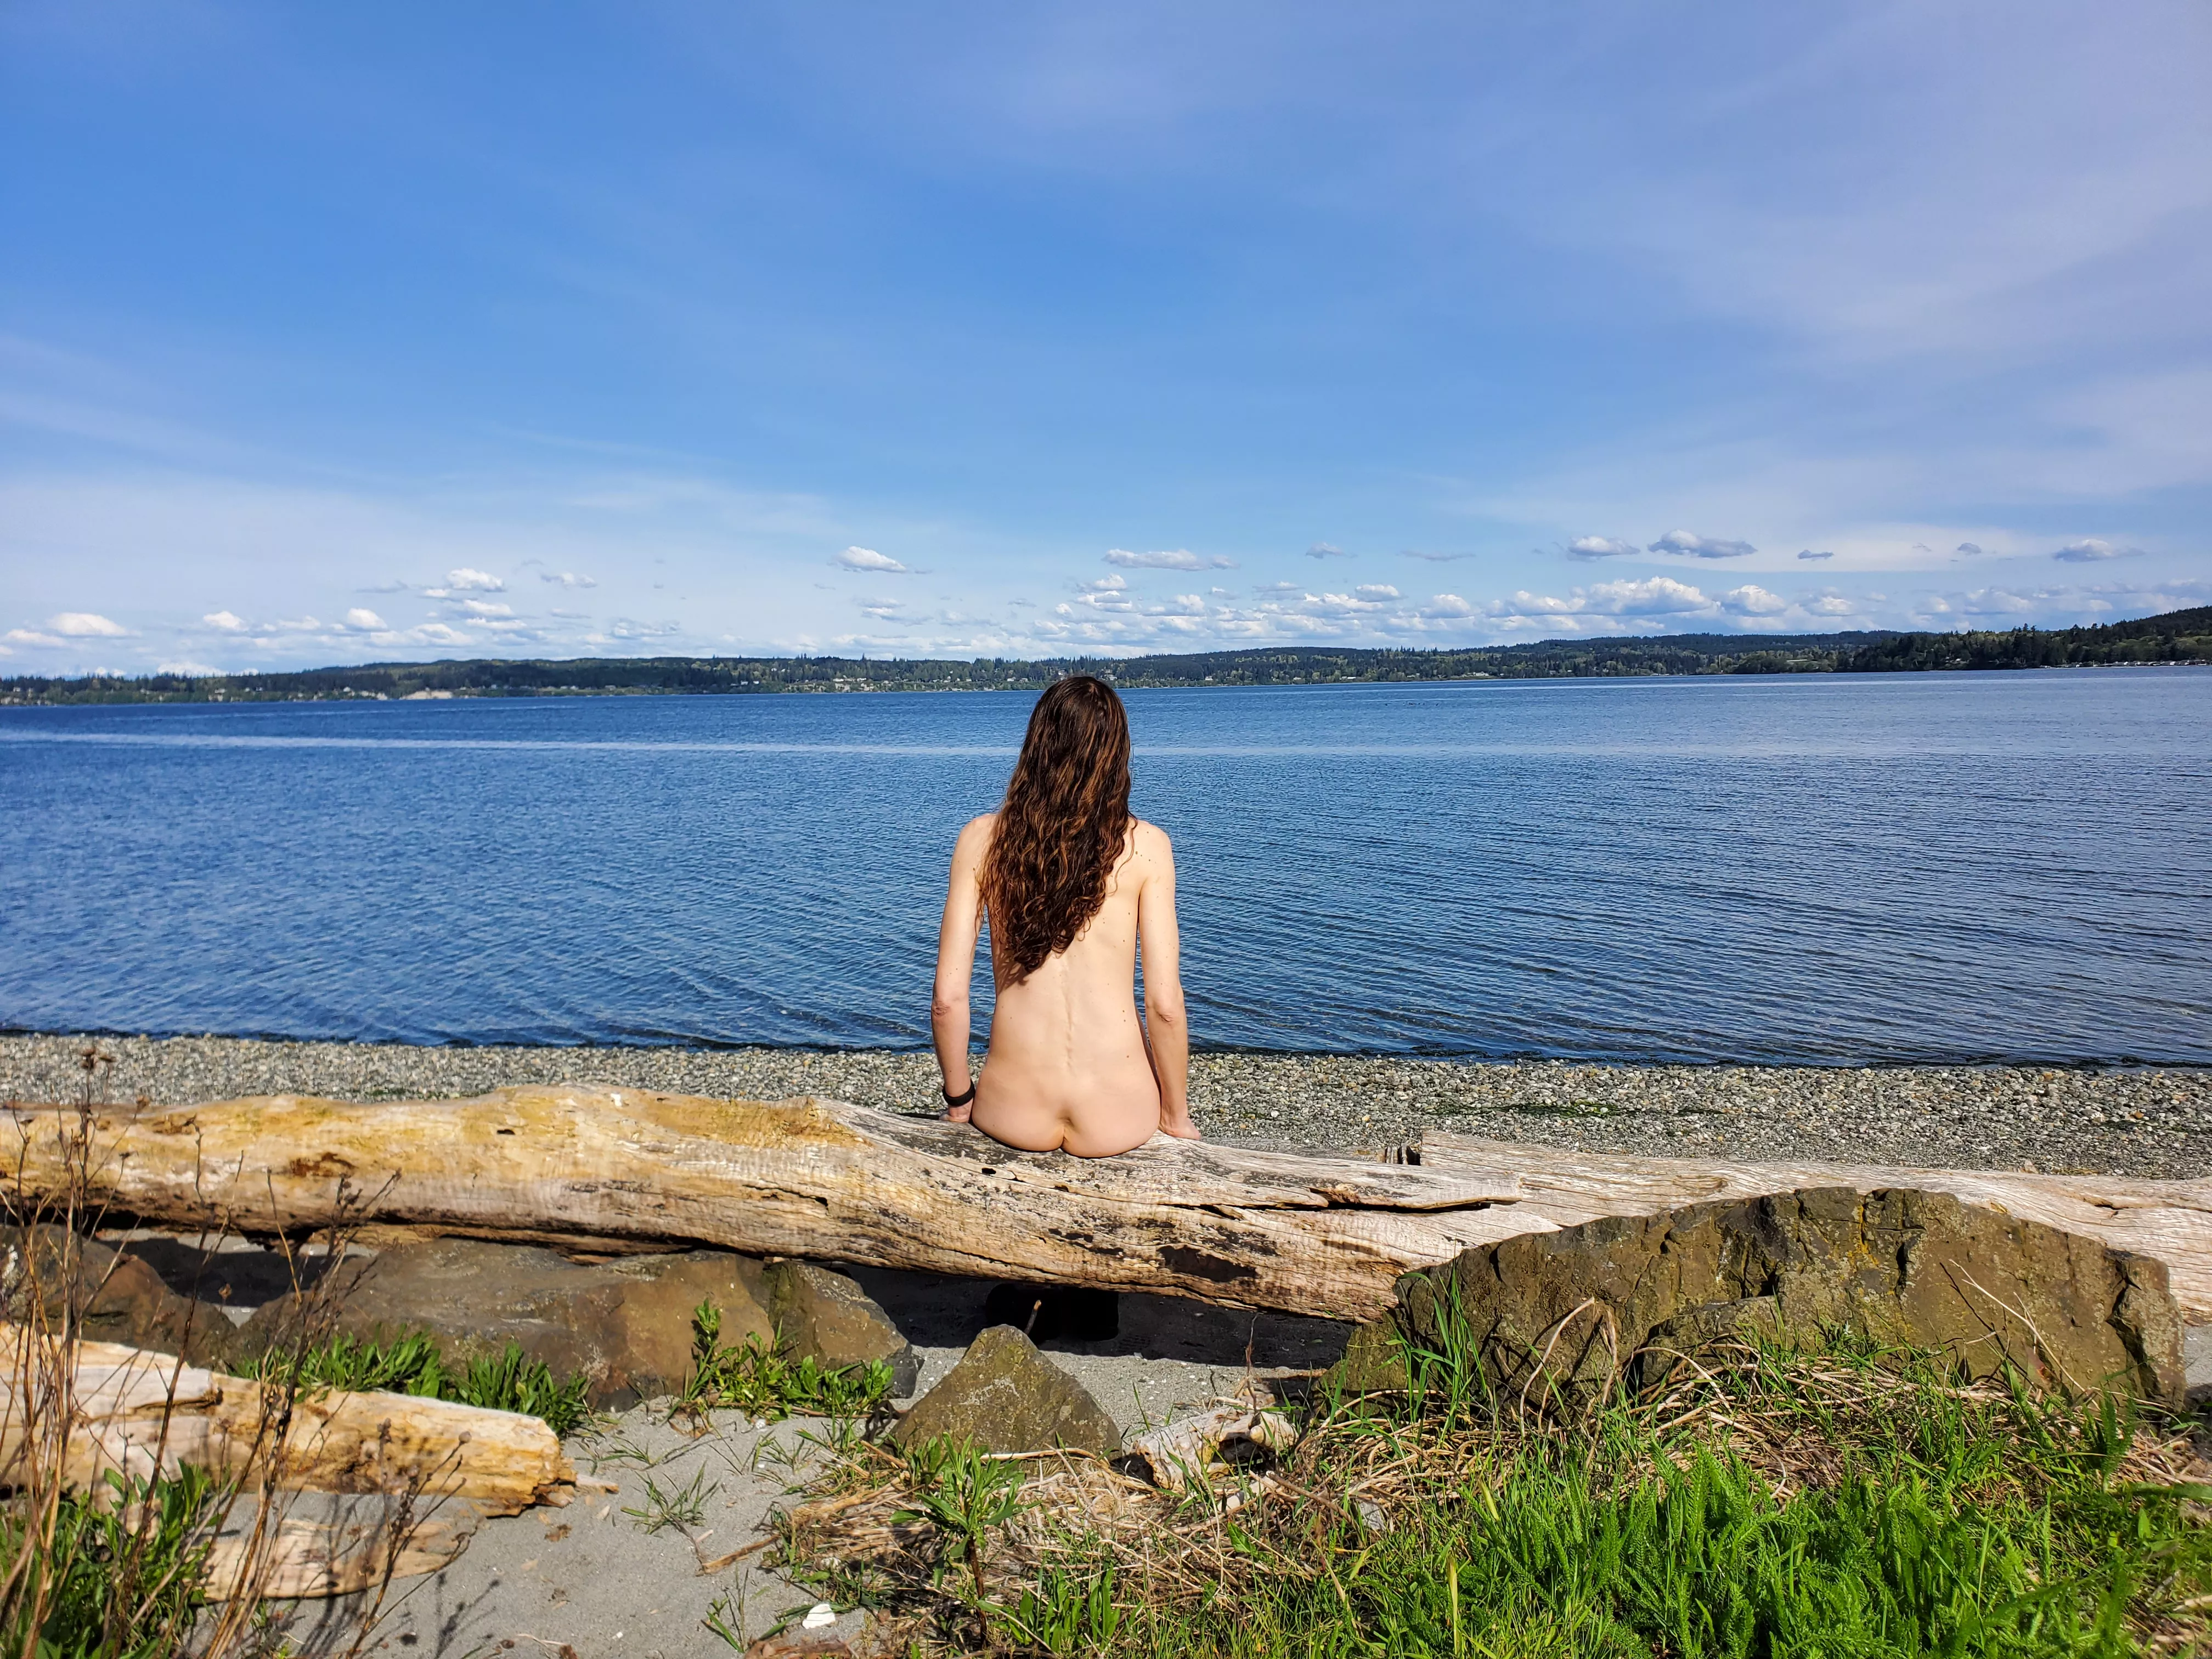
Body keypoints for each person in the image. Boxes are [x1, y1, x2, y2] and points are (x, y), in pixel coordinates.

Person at [930, 675, 1199, 1156]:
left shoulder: (981, 841)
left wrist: (959, 1100)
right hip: (1119, 1115)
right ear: (1117, 753)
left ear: (1038, 745)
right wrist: (1176, 1117)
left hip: (1011, 1111)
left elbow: (948, 1000)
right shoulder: (1148, 848)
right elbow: (1164, 1004)